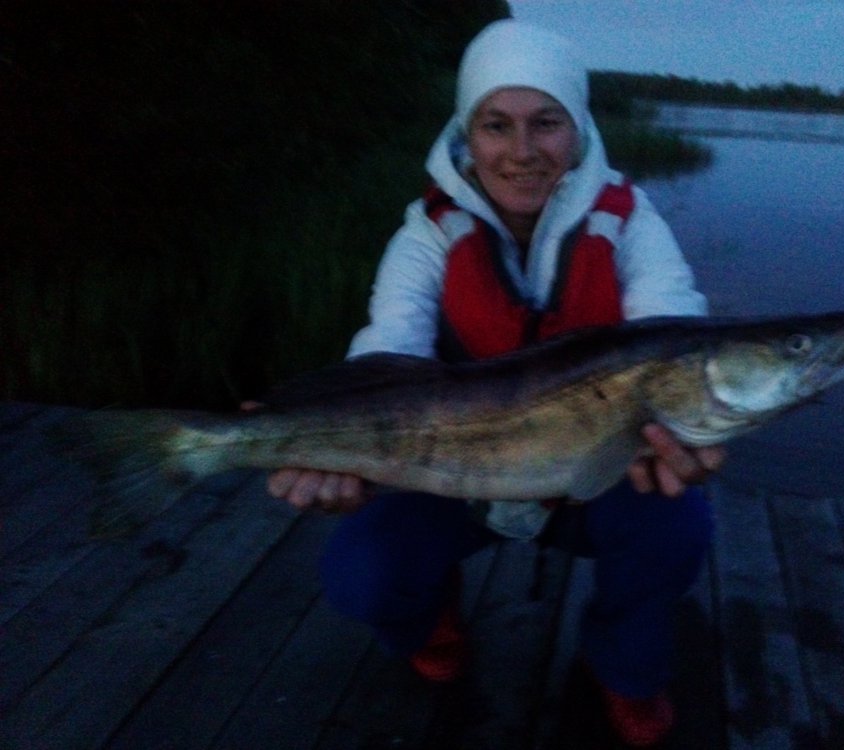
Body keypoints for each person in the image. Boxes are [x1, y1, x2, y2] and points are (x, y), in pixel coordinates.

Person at [266, 20, 723, 748]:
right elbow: (388, 349)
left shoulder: (631, 223)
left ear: (578, 128)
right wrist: (325, 443)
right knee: (361, 573)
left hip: (598, 470)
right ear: (466, 133)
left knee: (679, 529)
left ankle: (625, 669)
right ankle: (429, 623)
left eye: (546, 123)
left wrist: (691, 426)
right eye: (496, 125)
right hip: (450, 472)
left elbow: (673, 324)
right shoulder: (426, 235)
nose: (521, 151)